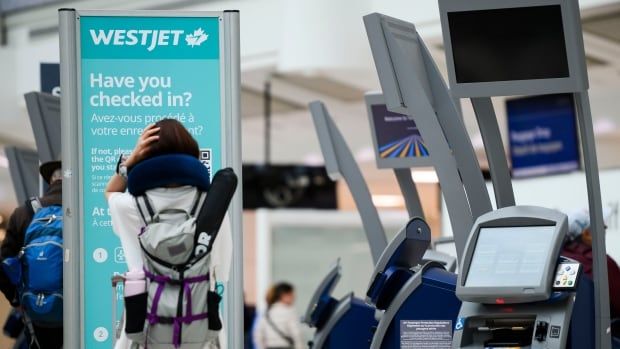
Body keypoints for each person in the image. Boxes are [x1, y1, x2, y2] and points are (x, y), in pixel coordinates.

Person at [105, 120, 232, 349]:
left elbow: (111, 191)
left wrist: (130, 161)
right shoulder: (212, 207)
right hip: (200, 326)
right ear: (192, 153)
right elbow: (221, 272)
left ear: (146, 157)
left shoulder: (129, 206)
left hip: (143, 328)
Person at [0, 160, 63, 349]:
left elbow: (3, 264)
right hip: (79, 311)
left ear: (52, 180)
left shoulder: (25, 213)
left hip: (37, 313)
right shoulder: (85, 213)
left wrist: (16, 299)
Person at [562, 208, 620, 340]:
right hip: (599, 337)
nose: (605, 231)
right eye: (603, 228)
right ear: (587, 234)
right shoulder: (600, 261)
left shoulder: (558, 257)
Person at [253, 282, 304, 349]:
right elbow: (297, 334)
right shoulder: (289, 311)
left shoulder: (266, 312)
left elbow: (258, 335)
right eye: (292, 294)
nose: (294, 297)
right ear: (284, 295)